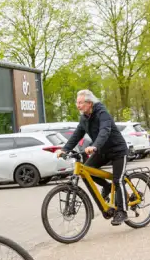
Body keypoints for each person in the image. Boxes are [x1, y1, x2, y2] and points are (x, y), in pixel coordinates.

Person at [56, 90, 130, 226]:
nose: (78, 105)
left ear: (89, 103)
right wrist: (65, 149)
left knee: (118, 180)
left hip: (118, 150)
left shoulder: (102, 114)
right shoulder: (84, 118)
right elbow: (76, 135)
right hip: (102, 151)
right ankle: (106, 191)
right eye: (76, 103)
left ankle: (122, 211)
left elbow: (104, 131)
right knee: (86, 171)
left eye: (80, 103)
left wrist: (94, 146)